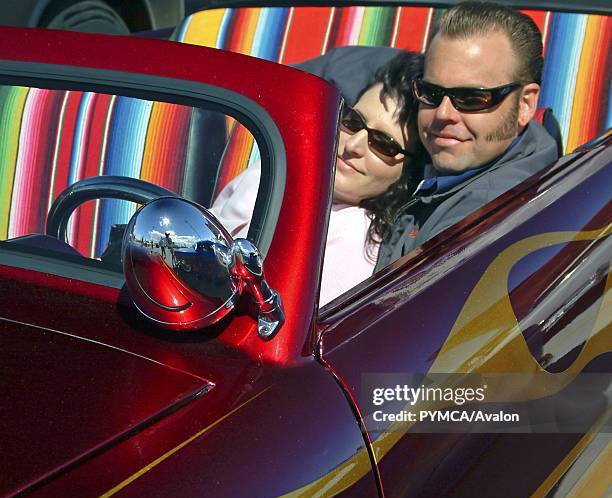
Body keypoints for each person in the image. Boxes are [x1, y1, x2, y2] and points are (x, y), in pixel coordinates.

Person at [211, 51, 424, 306]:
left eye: (383, 143)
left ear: (408, 173)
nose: (353, 145)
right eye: (353, 122)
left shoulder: (356, 237)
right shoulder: (279, 164)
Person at [375, 1, 560, 269]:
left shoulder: (485, 223)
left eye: (472, 98)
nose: (443, 114)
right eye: (431, 93)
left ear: (525, 105)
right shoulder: (453, 163)